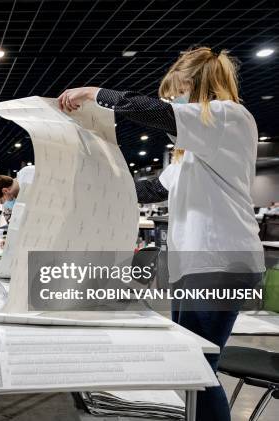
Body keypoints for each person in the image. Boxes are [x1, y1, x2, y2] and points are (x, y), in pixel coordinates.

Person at [58, 46, 265, 421]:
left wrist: (93, 94)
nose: (174, 101)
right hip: (197, 263)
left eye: (179, 92)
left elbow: (155, 112)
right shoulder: (197, 153)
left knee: (198, 370)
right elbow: (152, 189)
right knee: (189, 366)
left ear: (198, 86)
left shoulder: (228, 118)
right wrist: (93, 184)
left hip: (222, 262)